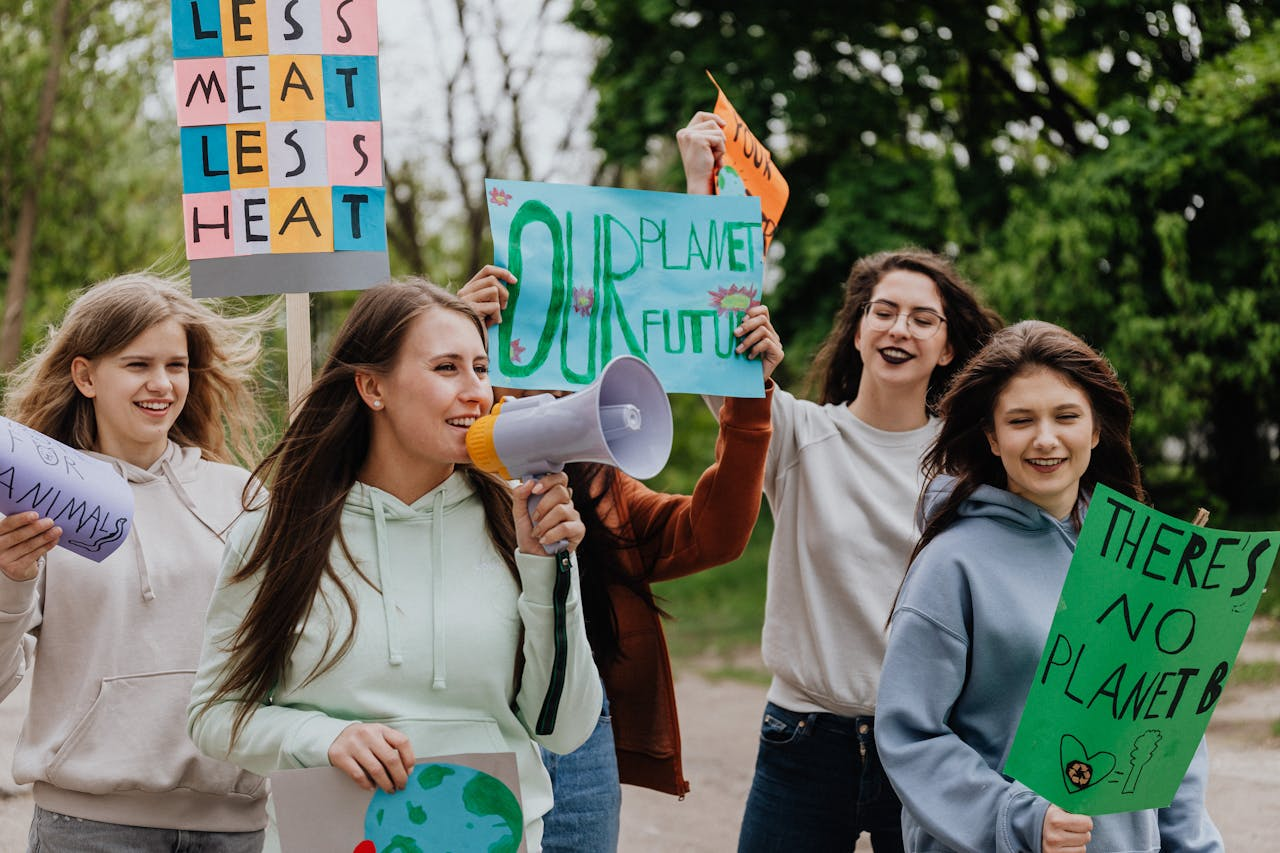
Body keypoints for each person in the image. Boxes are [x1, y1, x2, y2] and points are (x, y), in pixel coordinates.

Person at [679, 112, 1004, 852]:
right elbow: (709, 336)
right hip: (802, 738)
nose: (900, 328)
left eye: (924, 319)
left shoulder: (971, 465)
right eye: (883, 311)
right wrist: (704, 188)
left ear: (949, 345)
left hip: (924, 741)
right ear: (857, 330)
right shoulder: (793, 432)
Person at [187, 278, 602, 853]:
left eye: (480, 368)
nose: (477, 392)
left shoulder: (517, 525)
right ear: (372, 387)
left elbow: (566, 726)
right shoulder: (280, 533)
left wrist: (550, 568)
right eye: (446, 368)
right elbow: (213, 714)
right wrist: (321, 737)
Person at [459, 265, 782, 851]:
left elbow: (713, 534)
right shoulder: (441, 467)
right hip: (470, 724)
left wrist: (748, 399)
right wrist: (453, 335)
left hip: (580, 736)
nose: (540, 387)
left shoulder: (602, 490)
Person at [876, 320, 1224, 853]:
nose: (1045, 438)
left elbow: (1169, 736)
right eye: (1020, 420)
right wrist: (1020, 819)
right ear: (992, 437)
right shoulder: (951, 565)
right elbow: (911, 735)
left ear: (1094, 429)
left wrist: (1193, 846)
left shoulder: (1138, 559)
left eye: (1066, 416)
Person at [0, 273, 270, 852]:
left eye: (176, 365)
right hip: (88, 830)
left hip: (234, 827)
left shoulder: (243, 495)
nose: (162, 384)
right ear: (85, 375)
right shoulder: (33, 507)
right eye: (137, 364)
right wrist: (9, 581)